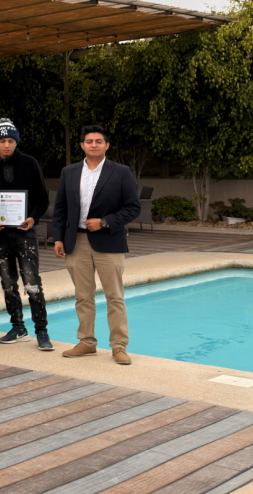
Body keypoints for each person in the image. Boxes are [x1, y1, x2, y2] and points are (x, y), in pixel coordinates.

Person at [53, 125, 140, 365]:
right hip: (75, 242)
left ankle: (119, 346)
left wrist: (104, 222)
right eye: (89, 141)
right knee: (83, 296)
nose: (93, 144)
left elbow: (133, 208)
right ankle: (87, 342)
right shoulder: (69, 172)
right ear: (82, 145)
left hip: (109, 241)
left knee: (114, 296)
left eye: (98, 141)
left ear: (106, 145)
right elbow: (60, 208)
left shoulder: (121, 172)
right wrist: (58, 238)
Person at [0, 119, 53, 351]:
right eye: (2, 141)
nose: (7, 145)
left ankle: (41, 330)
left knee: (32, 282)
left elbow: (42, 198)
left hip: (25, 234)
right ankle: (18, 327)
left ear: (16, 142)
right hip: (0, 235)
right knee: (8, 283)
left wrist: (32, 218)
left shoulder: (29, 163)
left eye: (11, 140)